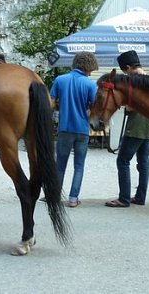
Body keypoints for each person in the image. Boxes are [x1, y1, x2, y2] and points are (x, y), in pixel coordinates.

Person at [105, 50, 149, 208]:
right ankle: (140, 197)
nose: (124, 74)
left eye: (124, 70)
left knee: (123, 161)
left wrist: (125, 105)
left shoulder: (134, 81)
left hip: (136, 127)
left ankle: (124, 198)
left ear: (128, 67)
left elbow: (132, 107)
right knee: (143, 162)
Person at [50, 52, 98, 208]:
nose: (91, 72)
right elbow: (94, 108)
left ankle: (55, 197)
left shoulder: (60, 80)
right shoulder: (91, 84)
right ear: (88, 67)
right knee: (79, 166)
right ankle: (73, 199)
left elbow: (51, 104)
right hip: (82, 130)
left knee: (60, 165)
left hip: (64, 129)